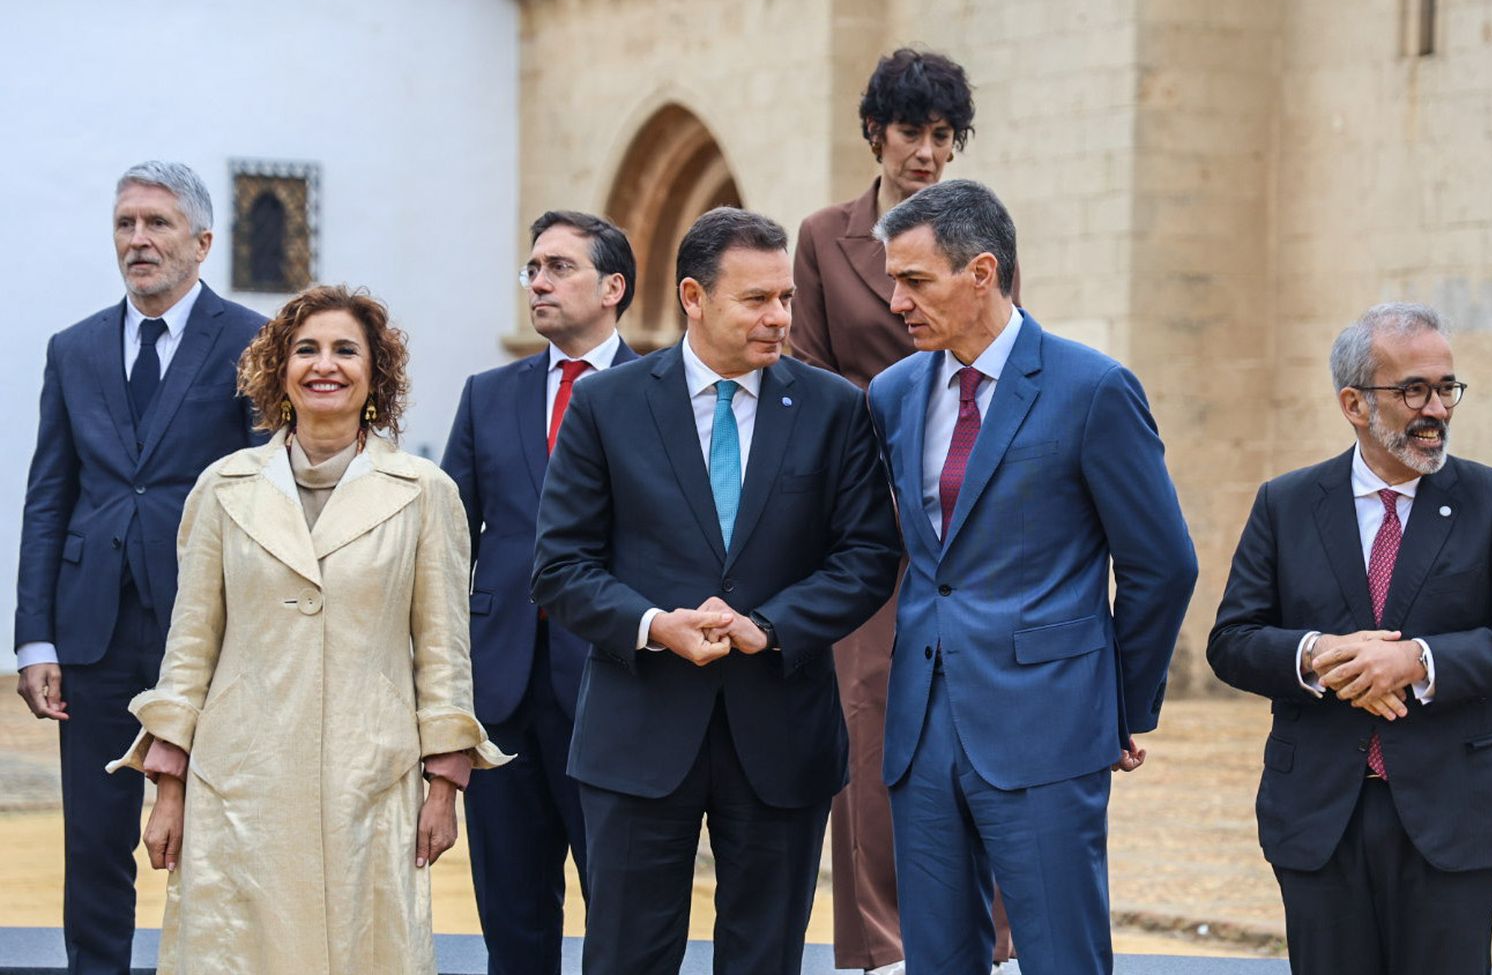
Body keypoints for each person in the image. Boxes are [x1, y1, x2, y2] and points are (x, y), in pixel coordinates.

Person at [532, 207, 902, 975]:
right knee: (626, 957)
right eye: (757, 300)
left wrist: (772, 624)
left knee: (765, 958)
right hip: (639, 730)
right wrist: (651, 623)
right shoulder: (608, 406)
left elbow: (869, 555)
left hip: (783, 732)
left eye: (786, 299)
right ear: (695, 297)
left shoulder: (836, 408)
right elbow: (560, 567)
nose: (779, 317)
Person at [107, 285, 509, 975]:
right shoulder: (223, 487)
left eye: (346, 349)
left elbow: (444, 652)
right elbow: (189, 648)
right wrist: (167, 787)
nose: (326, 364)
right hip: (240, 780)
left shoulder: (424, 492)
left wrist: (445, 784)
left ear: (375, 372)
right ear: (280, 369)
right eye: (307, 349)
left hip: (369, 777)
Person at [867, 179, 1197, 974]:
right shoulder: (893, 393)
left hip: (1050, 728)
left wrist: (1116, 704)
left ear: (982, 272)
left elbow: (1162, 564)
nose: (895, 300)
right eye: (892, 280)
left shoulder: (1093, 389)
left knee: (1062, 959)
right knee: (937, 961)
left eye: (916, 280)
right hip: (921, 728)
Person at [1207, 302, 1492, 975]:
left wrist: (1418, 660)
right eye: (1413, 390)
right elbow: (1232, 639)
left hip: (1455, 816)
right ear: (1353, 402)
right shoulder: (1285, 503)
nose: (1436, 408)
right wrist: (1316, 655)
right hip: (1319, 816)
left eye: (1445, 387)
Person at [790, 46, 1016, 974]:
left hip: (966, 513)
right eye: (910, 133)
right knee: (868, 717)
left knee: (983, 718)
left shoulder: (975, 228)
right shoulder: (821, 235)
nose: (926, 152)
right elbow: (803, 370)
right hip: (865, 517)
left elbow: (999, 359)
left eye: (941, 136)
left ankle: (996, 942)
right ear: (874, 133)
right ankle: (880, 948)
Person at [13, 161, 265, 975]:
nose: (138, 240)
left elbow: (268, 493)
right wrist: (35, 639)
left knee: (216, 832)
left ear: (202, 241)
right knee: (93, 838)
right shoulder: (74, 347)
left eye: (156, 224)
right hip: (91, 630)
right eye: (125, 224)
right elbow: (48, 497)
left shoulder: (254, 342)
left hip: (210, 630)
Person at [441, 210, 639, 975]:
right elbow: (447, 542)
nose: (539, 282)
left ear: (613, 286)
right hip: (501, 692)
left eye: (559, 266)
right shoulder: (487, 394)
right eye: (533, 268)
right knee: (514, 924)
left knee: (620, 921)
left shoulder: (662, 389)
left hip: (616, 688)